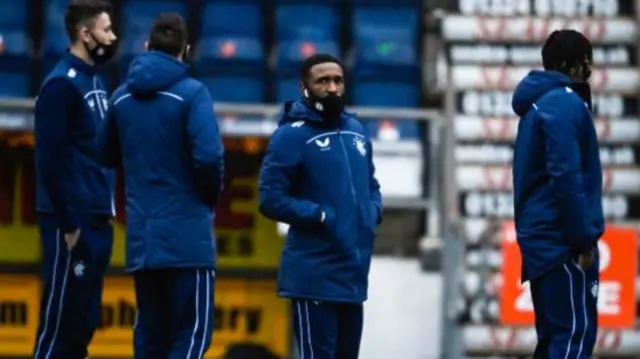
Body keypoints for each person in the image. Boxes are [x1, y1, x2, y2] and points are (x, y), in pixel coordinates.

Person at [94, 13, 223, 359]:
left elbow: (103, 153)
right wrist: (207, 199)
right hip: (187, 240)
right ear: (187, 49)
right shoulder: (194, 93)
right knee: (193, 333)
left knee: (151, 334)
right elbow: (209, 157)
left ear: (148, 47)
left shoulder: (120, 97)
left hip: (143, 240)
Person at [258, 53, 383, 359]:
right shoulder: (291, 135)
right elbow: (270, 198)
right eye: (323, 81)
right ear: (305, 87)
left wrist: (372, 211)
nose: (332, 87)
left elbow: (372, 185)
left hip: (352, 276)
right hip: (314, 277)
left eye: (338, 80)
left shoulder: (356, 129)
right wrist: (318, 215)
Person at [511, 29, 603, 358]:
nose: (588, 74)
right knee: (573, 339)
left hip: (542, 241)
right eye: (586, 65)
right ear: (572, 65)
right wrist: (582, 240)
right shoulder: (564, 103)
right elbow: (566, 177)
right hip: (561, 243)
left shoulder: (539, 104)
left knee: (554, 341)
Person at [32, 1, 117, 358]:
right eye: (106, 29)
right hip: (71, 223)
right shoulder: (60, 86)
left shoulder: (93, 78)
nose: (113, 37)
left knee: (84, 322)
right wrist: (68, 224)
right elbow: (48, 161)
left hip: (95, 216)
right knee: (59, 325)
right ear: (85, 34)